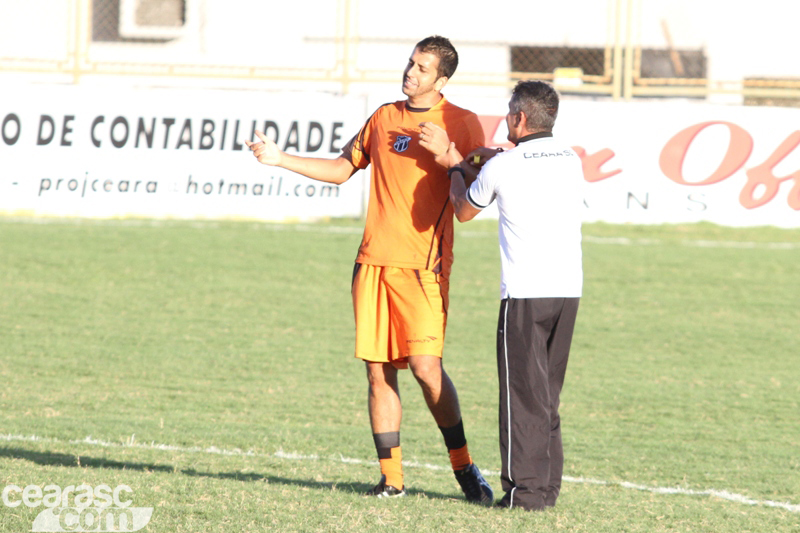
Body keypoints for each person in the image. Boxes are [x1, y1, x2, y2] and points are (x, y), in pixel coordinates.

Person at [245, 35, 493, 504]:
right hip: (372, 264)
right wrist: (279, 160)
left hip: (424, 269)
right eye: (410, 63)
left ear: (441, 79)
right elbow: (342, 169)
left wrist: (450, 157)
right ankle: (391, 479)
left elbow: (471, 204)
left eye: (422, 68)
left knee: (426, 368)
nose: (411, 73)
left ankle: (464, 469)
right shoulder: (383, 117)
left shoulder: (461, 122)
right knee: (379, 373)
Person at [444, 80, 584, 511]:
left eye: (508, 112)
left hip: (525, 294)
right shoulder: (570, 159)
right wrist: (487, 162)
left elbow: (464, 210)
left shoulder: (504, 166)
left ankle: (523, 495)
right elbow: (514, 166)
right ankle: (545, 490)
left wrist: (454, 168)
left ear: (520, 118)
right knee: (546, 397)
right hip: (567, 291)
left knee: (521, 397)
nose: (505, 119)